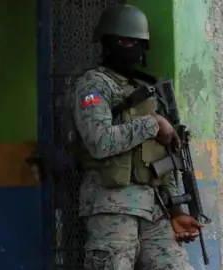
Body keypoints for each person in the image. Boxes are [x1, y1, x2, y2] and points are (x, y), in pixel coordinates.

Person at [68, 4, 203, 269]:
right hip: (111, 208)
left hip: (153, 209)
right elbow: (99, 141)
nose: (127, 47)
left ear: (143, 47)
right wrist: (152, 124)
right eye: (120, 41)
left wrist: (175, 209)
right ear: (105, 44)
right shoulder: (94, 85)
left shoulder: (144, 90)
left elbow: (163, 158)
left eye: (133, 41)